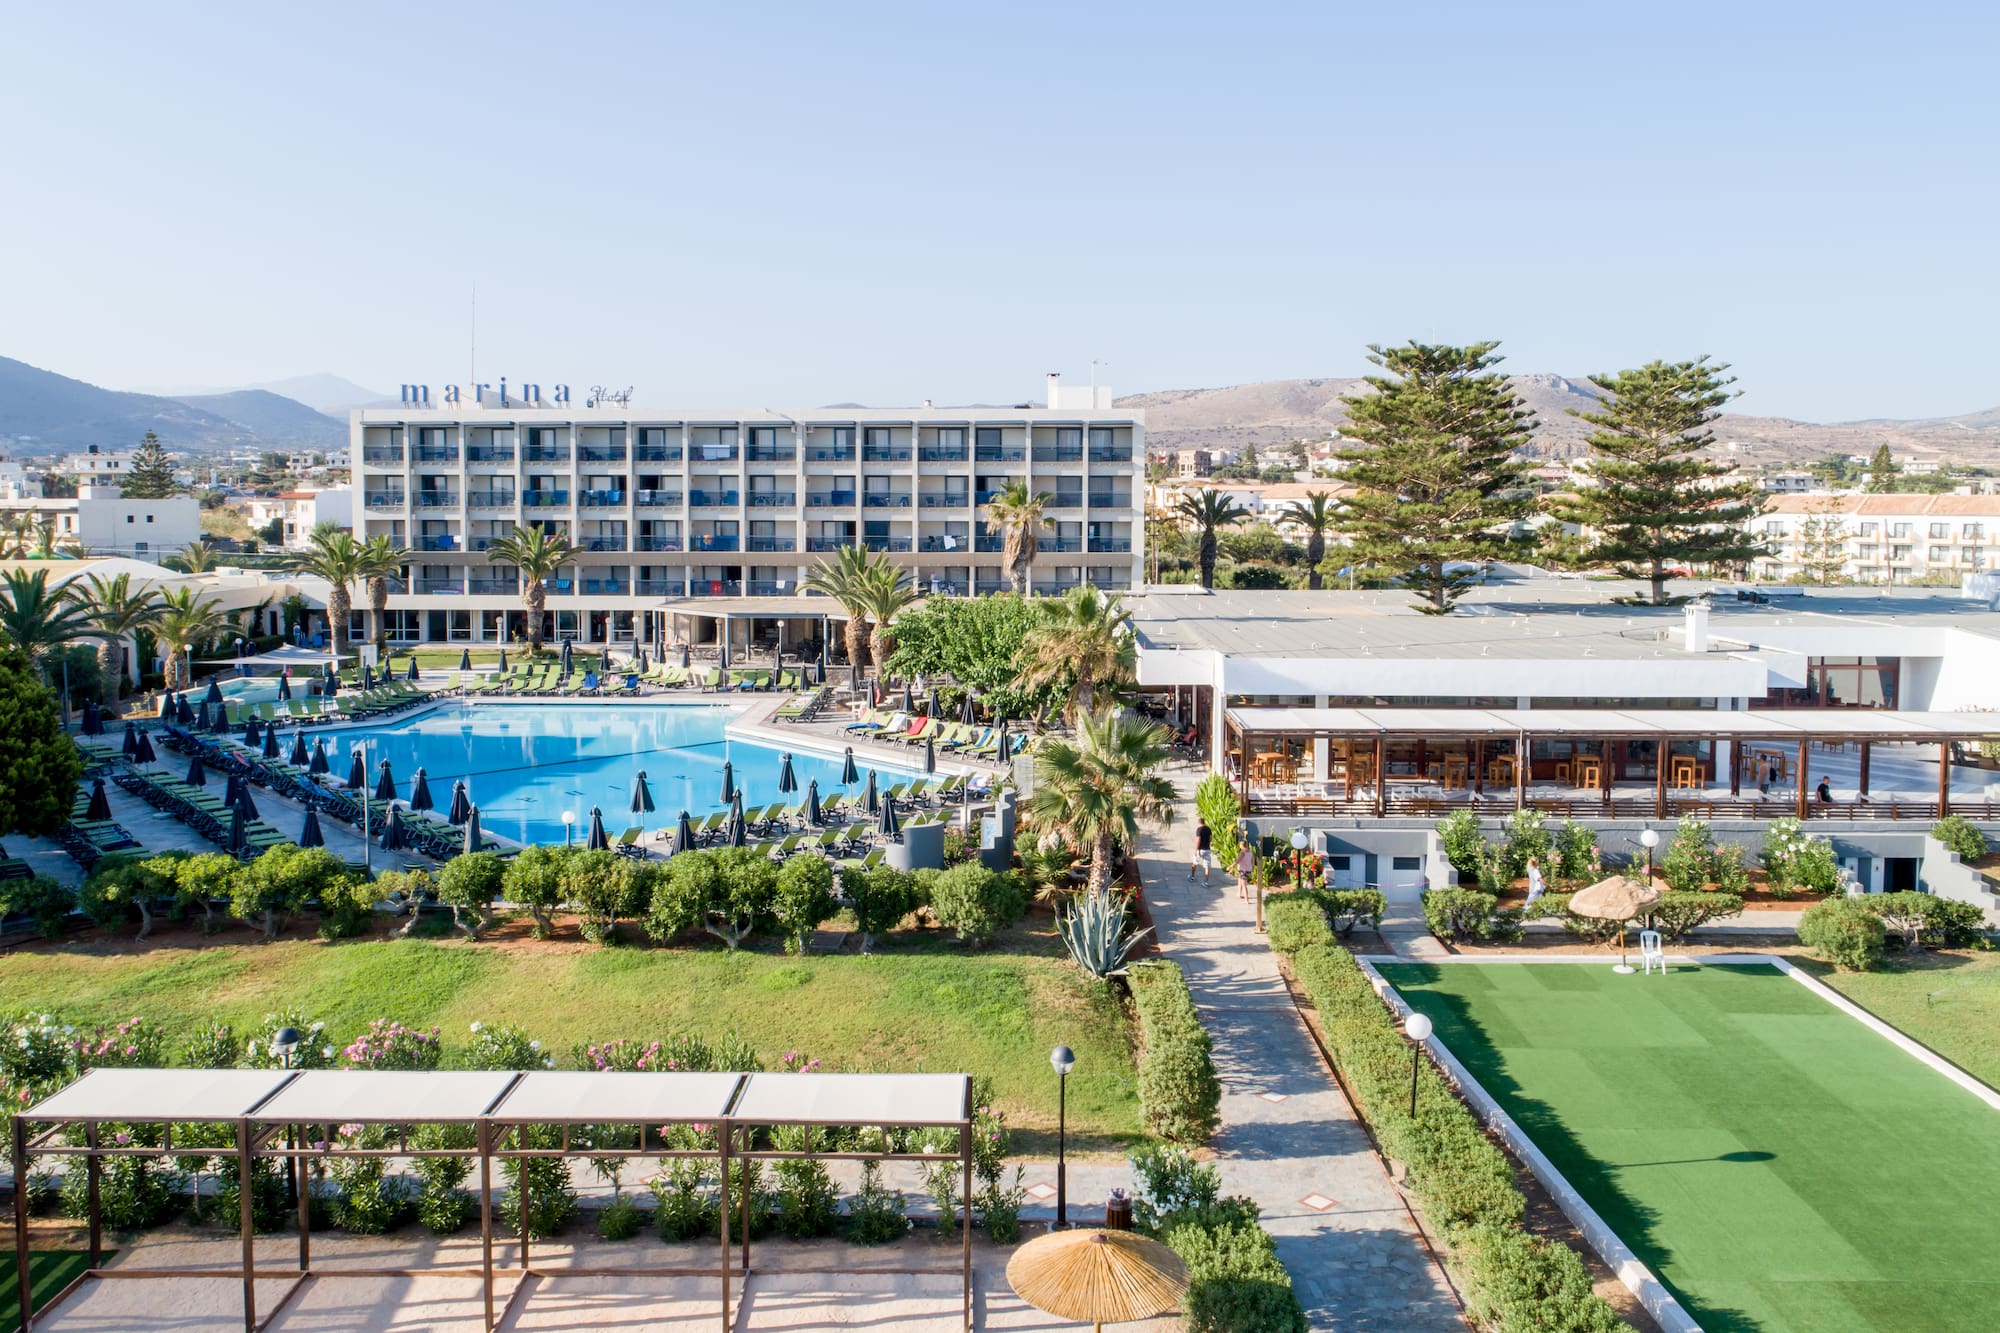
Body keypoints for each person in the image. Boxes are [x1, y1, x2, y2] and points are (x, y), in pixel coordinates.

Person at [1235, 837, 1256, 902]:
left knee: (1244, 885)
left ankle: (1247, 900)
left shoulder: (1242, 853)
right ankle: (1239, 894)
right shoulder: (1250, 852)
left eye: (1240, 845)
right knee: (1240, 881)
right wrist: (1251, 868)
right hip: (1248, 870)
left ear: (1241, 845)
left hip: (1243, 870)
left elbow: (1237, 861)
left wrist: (1230, 866)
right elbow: (1253, 861)